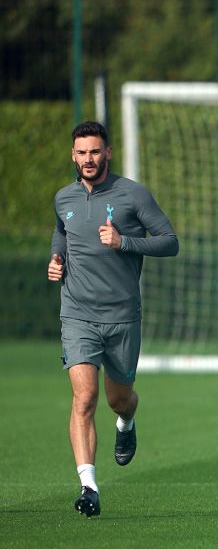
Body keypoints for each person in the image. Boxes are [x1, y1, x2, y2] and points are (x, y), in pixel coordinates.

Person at [48, 121, 179, 517]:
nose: (88, 159)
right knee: (84, 398)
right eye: (81, 152)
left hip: (122, 315)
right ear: (73, 155)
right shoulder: (63, 198)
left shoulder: (132, 195)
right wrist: (56, 262)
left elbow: (170, 242)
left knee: (117, 399)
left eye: (95, 151)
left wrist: (124, 242)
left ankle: (127, 422)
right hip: (77, 314)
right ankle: (88, 486)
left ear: (108, 153)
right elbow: (61, 234)